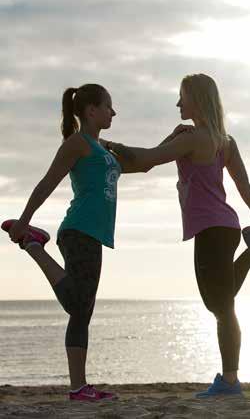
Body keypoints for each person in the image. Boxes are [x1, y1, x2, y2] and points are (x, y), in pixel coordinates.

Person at [106, 73, 250, 397]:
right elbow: (243, 185)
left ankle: (230, 382)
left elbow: (146, 159)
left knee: (220, 306)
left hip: (210, 229)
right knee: (221, 304)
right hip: (226, 227)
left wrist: (103, 144)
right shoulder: (223, 141)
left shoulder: (194, 139)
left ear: (197, 100)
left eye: (182, 97)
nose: (178, 103)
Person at [1, 83, 140, 401]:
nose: (113, 112)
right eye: (108, 106)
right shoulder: (77, 143)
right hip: (79, 231)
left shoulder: (103, 147)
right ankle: (34, 246)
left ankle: (80, 387)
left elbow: (143, 160)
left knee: (82, 310)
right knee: (78, 306)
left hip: (94, 234)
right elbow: (47, 181)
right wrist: (23, 221)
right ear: (91, 110)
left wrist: (172, 142)